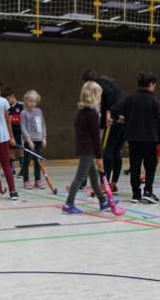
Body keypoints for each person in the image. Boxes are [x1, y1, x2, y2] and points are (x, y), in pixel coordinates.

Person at [63, 81, 116, 215]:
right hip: (89, 150)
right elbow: (95, 137)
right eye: (99, 95)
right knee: (80, 177)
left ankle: (103, 201)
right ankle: (69, 203)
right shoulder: (92, 114)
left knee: (93, 177)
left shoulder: (81, 112)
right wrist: (99, 156)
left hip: (85, 148)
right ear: (94, 96)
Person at [113, 72, 160, 204]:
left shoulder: (130, 98)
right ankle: (148, 191)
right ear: (151, 84)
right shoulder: (154, 100)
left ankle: (135, 194)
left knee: (135, 166)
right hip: (150, 139)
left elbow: (114, 109)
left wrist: (121, 118)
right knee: (150, 166)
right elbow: (159, 122)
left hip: (133, 139)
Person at [82, 70, 125, 193]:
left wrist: (109, 113)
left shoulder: (100, 86)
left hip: (113, 119)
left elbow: (110, 100)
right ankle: (113, 183)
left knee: (107, 150)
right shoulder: (109, 82)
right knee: (116, 151)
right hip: (122, 118)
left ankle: (103, 185)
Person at [20, 90, 47, 190]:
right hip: (29, 141)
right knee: (27, 161)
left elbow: (43, 124)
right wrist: (28, 140)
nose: (33, 104)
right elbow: (23, 127)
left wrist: (44, 137)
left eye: (34, 101)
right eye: (30, 101)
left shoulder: (39, 111)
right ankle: (26, 180)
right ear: (26, 101)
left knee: (37, 161)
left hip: (39, 139)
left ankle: (38, 180)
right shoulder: (24, 113)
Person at [3, 87, 24, 177]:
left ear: (12, 96)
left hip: (20, 132)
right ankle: (11, 168)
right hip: (10, 132)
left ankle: (23, 168)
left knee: (20, 150)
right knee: (10, 150)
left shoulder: (21, 105)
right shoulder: (6, 108)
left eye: (7, 99)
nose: (7, 101)